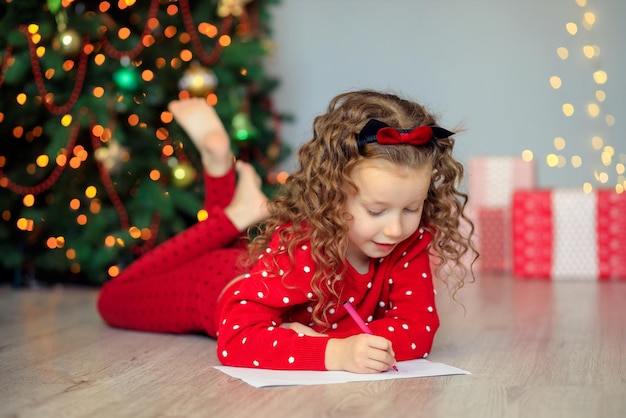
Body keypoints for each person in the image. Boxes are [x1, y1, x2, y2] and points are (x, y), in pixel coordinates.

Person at [97, 89, 477, 374]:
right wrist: (335, 354)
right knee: (113, 299)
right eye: (376, 210)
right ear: (332, 195)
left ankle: (225, 178)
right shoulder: (306, 247)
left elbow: (417, 329)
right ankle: (233, 211)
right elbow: (234, 340)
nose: (395, 228)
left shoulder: (408, 242)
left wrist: (335, 343)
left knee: (236, 247)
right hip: (214, 285)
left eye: (412, 208)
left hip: (260, 265)